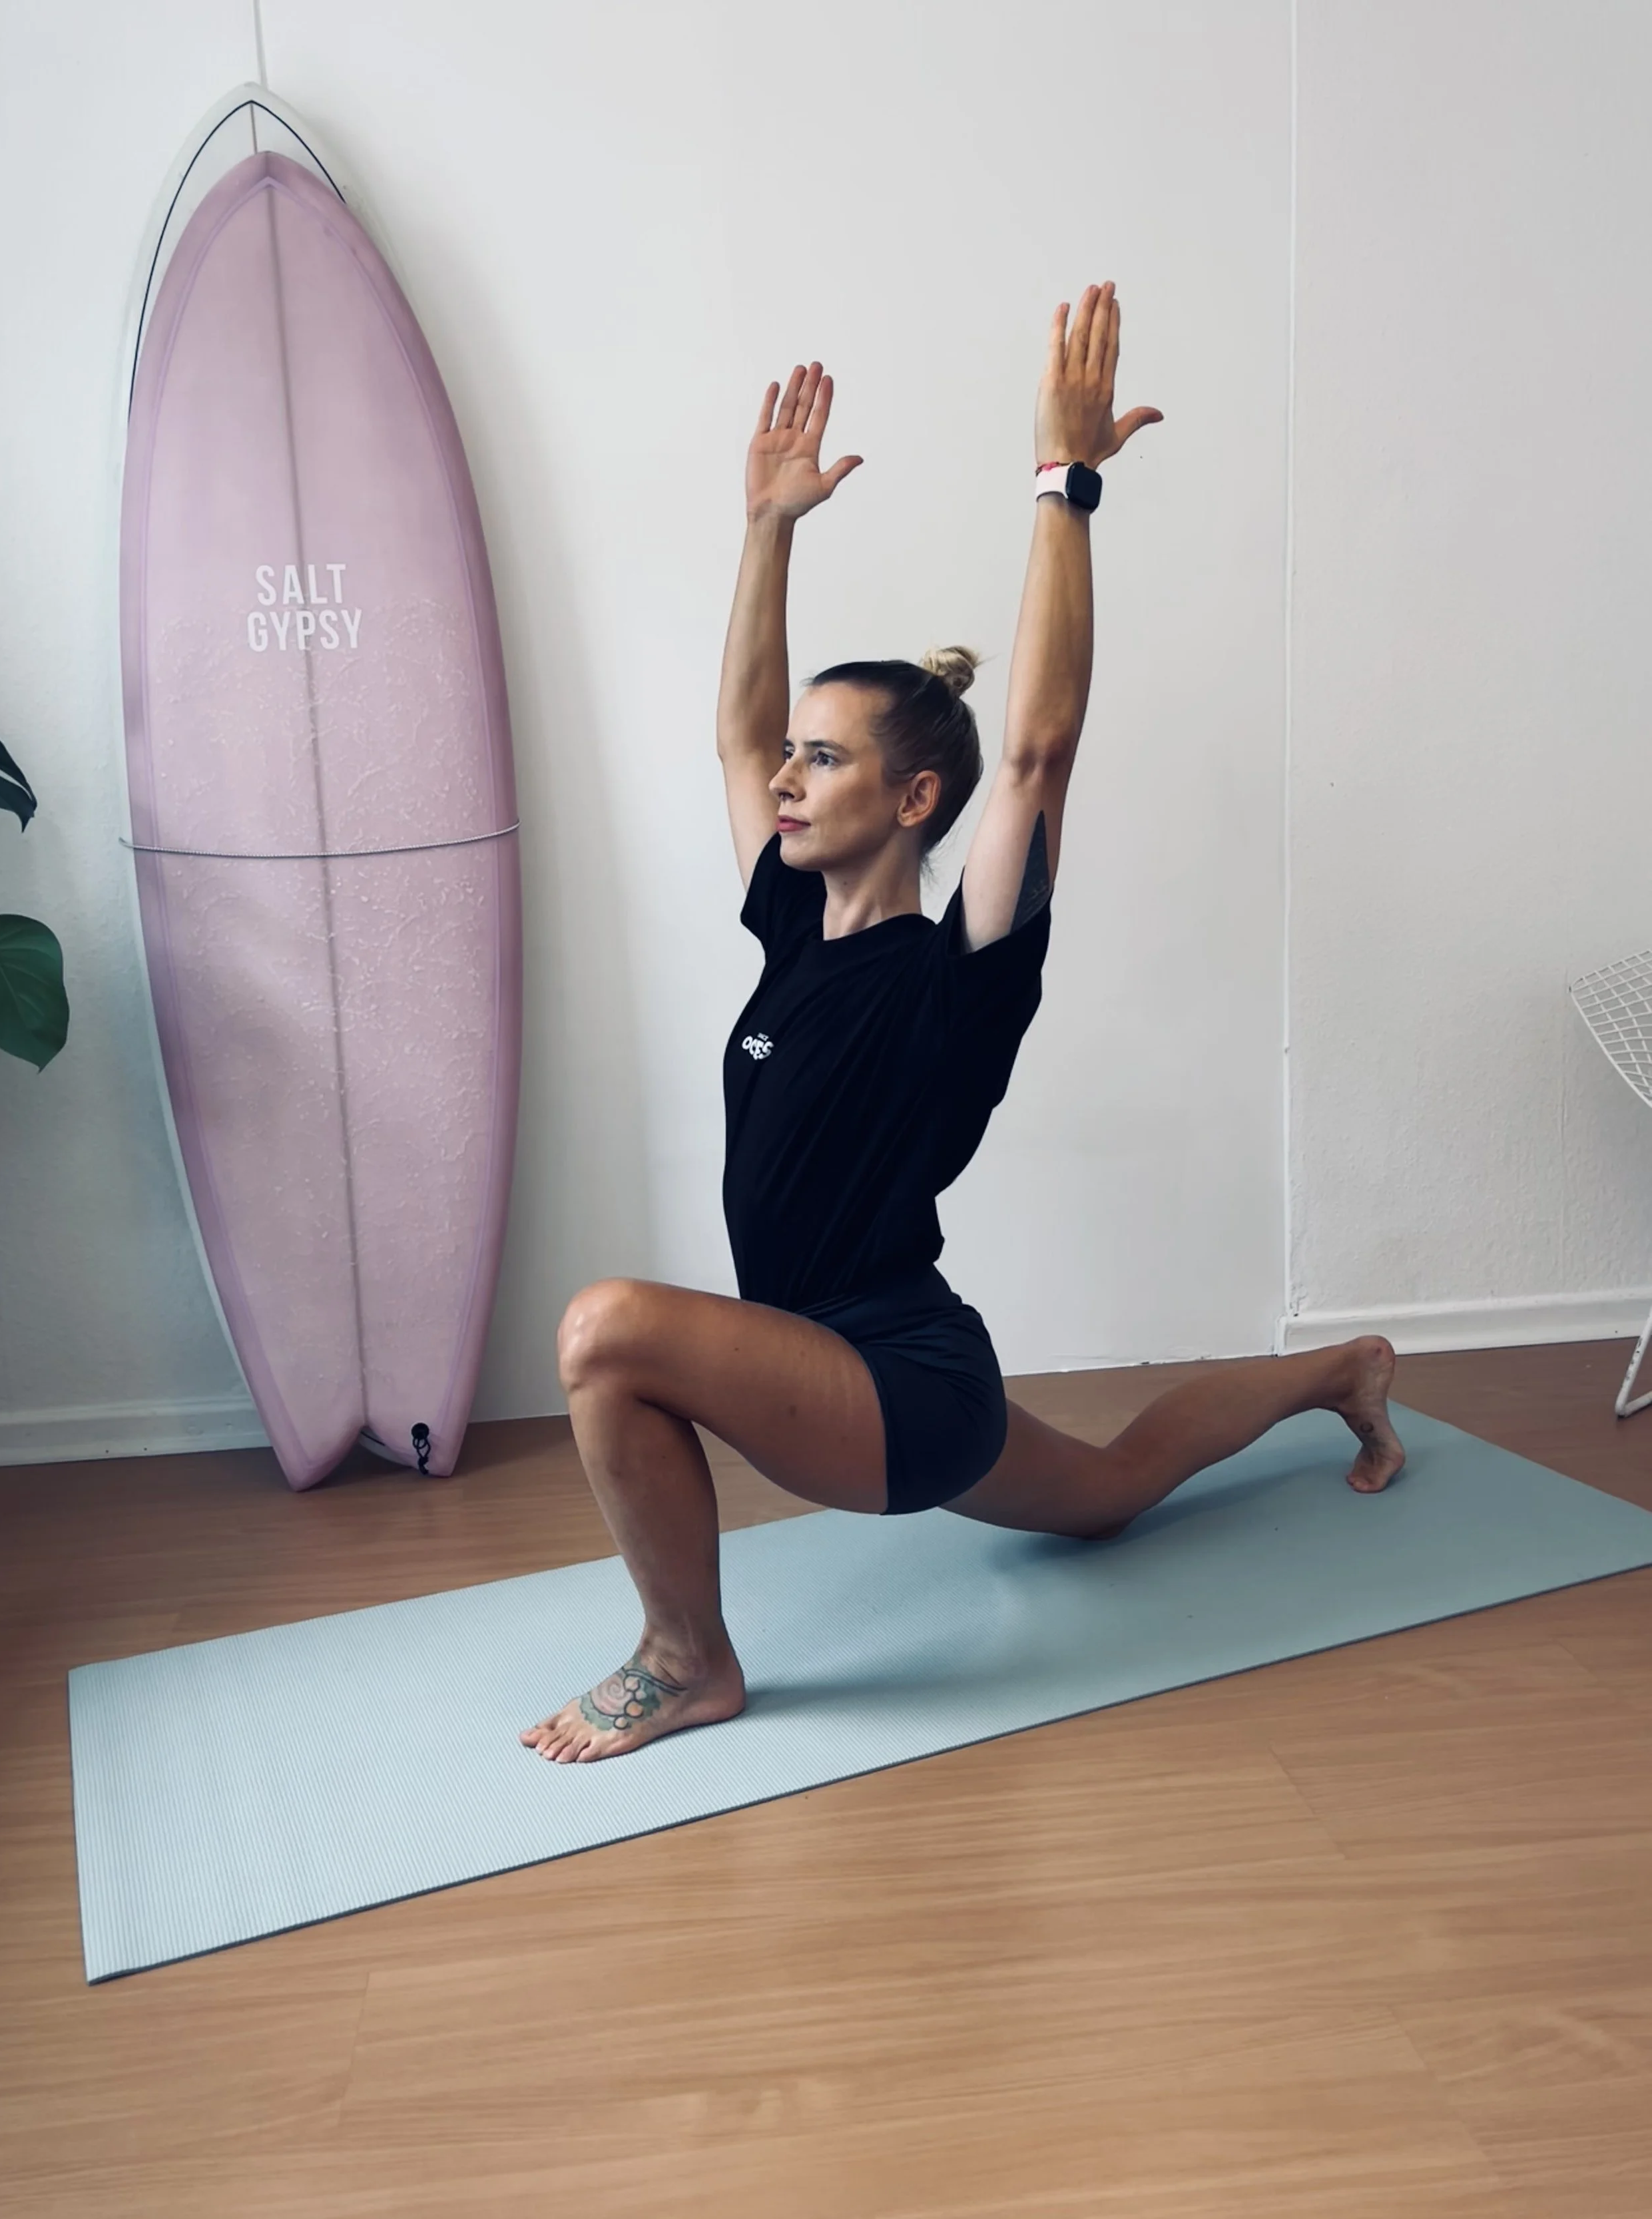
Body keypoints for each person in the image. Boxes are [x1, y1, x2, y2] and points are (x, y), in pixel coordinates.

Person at [521, 283, 1404, 1766]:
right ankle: (1342, 1373)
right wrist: (765, 531)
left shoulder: (962, 963)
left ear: (915, 800)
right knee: (1116, 1485)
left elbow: (1042, 743)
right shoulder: (790, 921)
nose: (786, 780)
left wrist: (1065, 486)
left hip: (894, 1384)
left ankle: (686, 1659)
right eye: (792, 759)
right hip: (857, 1371)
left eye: (825, 760)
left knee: (603, 1330)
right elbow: (736, 733)